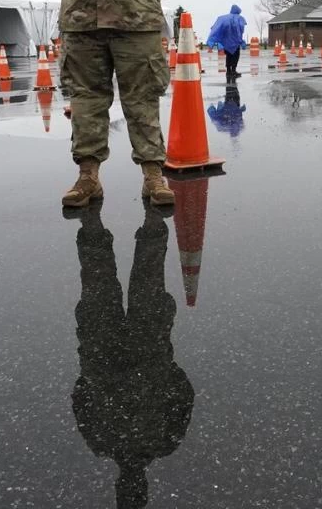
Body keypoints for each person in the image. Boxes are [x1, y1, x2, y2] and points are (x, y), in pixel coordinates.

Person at [43, 0, 186, 208]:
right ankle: (88, 177)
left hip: (137, 19)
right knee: (86, 99)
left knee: (143, 97)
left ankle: (153, 175)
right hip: (81, 18)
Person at [68, 203, 194, 508]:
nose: (131, 482)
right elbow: (183, 397)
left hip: (109, 356)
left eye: (127, 489)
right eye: (135, 489)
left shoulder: (101, 442)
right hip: (145, 356)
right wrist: (164, 369)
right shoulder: (164, 442)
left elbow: (81, 398)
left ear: (120, 486)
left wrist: (95, 373)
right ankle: (143, 222)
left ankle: (95, 226)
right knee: (147, 277)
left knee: (102, 282)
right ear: (142, 486)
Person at [206, 5, 247, 77]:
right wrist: (241, 41)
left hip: (226, 42)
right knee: (235, 56)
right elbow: (239, 31)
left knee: (229, 56)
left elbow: (217, 27)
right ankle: (233, 70)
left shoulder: (223, 19)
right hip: (235, 42)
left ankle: (228, 70)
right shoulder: (239, 18)